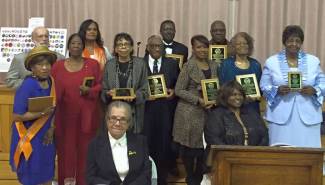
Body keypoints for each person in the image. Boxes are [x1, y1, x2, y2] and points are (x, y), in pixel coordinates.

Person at [260, 25, 325, 148]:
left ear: (301, 43)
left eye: (298, 41)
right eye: (290, 40)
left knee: (309, 155)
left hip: (308, 116)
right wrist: (276, 90)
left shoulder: (313, 61)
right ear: (284, 42)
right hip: (280, 117)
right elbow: (264, 85)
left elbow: (323, 83)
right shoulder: (271, 62)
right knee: (282, 155)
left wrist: (315, 90)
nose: (294, 44)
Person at [51, 33, 102, 185]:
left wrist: (90, 91)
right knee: (65, 153)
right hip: (63, 117)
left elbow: (100, 85)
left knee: (85, 153)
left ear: (83, 46)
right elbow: (51, 89)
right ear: (68, 46)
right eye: (73, 43)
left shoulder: (93, 64)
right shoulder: (57, 66)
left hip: (87, 116)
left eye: (79, 43)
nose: (76, 46)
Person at [173, 35, 218, 185]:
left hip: (208, 112)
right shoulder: (188, 66)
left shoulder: (213, 65)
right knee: (190, 148)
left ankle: (199, 176)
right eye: (198, 47)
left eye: (205, 46)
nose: (202, 50)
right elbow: (179, 90)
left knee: (204, 149)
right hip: (190, 113)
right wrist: (198, 99)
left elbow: (214, 86)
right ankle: (191, 178)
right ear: (193, 48)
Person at [9, 46, 57, 185]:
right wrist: (41, 113)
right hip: (29, 135)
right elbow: (17, 116)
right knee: (31, 174)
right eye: (40, 64)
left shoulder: (51, 82)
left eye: (47, 64)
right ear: (32, 67)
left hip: (46, 135)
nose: (44, 68)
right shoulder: (27, 85)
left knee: (46, 171)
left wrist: (52, 128)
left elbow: (54, 108)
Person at [86, 101, 151, 185]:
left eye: (123, 119)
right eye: (113, 118)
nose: (117, 123)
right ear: (107, 120)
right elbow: (90, 178)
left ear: (129, 123)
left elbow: (146, 175)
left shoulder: (140, 142)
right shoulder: (94, 145)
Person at [143, 35, 179, 185]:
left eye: (159, 46)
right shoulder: (139, 63)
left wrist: (174, 91)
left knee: (163, 148)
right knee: (145, 147)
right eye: (153, 46)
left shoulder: (171, 63)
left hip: (165, 112)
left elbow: (179, 84)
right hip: (144, 112)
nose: (157, 49)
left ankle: (161, 181)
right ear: (147, 47)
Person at [101, 32, 148, 134]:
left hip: (134, 111)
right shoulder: (109, 65)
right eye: (119, 44)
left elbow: (145, 88)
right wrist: (108, 94)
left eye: (126, 44)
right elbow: (103, 89)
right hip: (114, 109)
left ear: (131, 48)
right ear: (116, 49)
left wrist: (136, 96)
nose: (123, 47)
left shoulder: (140, 64)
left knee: (132, 143)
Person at [204, 80, 268, 146]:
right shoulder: (216, 115)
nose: (238, 97)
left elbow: (264, 135)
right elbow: (212, 139)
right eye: (234, 95)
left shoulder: (251, 113)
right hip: (226, 155)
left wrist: (256, 153)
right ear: (225, 96)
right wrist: (233, 154)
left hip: (253, 154)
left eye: (240, 94)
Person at [218, 32, 262, 113]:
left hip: (252, 108)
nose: (242, 46)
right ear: (234, 46)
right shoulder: (226, 64)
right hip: (230, 109)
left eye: (245, 43)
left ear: (249, 46)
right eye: (238, 44)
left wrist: (257, 96)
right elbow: (222, 88)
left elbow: (260, 88)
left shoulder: (256, 65)